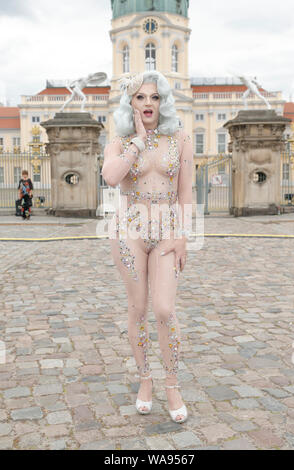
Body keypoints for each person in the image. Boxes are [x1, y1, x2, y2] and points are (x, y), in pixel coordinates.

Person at [102, 71, 193, 423]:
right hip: (129, 232)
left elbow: (185, 192)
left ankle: (172, 383)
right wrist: (138, 141)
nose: (148, 103)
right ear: (130, 102)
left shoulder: (180, 138)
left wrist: (183, 234)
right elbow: (111, 177)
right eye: (140, 97)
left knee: (165, 310)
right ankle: (145, 380)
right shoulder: (119, 142)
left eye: (154, 97)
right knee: (137, 309)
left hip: (168, 231)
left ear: (163, 101)